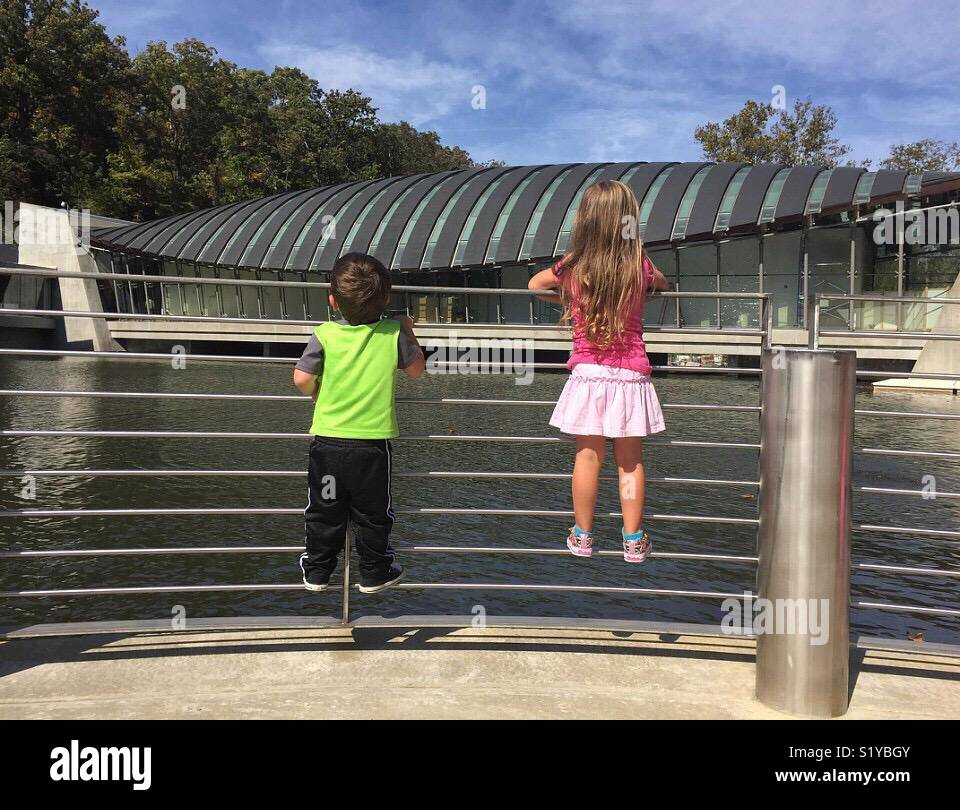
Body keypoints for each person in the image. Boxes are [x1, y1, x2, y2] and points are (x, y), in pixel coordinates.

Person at [528, 180, 669, 562]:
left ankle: (583, 534)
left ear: (586, 221)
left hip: (589, 374)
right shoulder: (637, 265)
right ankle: (633, 538)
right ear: (629, 221)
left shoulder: (574, 265)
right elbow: (662, 284)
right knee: (630, 462)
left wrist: (568, 294)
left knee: (588, 457)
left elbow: (534, 283)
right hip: (630, 377)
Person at [293, 252, 425, 593]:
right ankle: (374, 571)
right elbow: (416, 371)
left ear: (333, 301)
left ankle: (318, 570)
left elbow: (301, 378)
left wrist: (317, 393)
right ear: (387, 299)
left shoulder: (324, 334)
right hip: (371, 447)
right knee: (373, 512)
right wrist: (407, 331)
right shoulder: (394, 333)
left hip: (328, 444)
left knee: (324, 508)